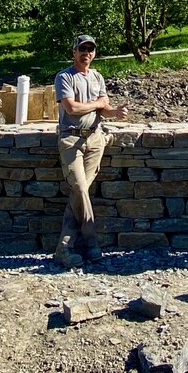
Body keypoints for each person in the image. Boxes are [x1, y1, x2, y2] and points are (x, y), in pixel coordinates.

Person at [54, 34, 128, 268]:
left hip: (95, 140)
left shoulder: (97, 77)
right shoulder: (64, 77)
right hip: (71, 140)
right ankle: (91, 242)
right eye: (82, 49)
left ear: (94, 53)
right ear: (74, 51)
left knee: (80, 193)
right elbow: (72, 108)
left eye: (90, 49)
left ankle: (64, 249)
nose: (86, 53)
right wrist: (98, 104)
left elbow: (104, 109)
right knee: (80, 188)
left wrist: (115, 112)